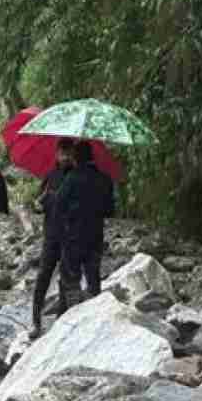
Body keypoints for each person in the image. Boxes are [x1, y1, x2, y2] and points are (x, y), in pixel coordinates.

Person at [56, 140, 115, 306]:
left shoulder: (71, 178)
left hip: (73, 236)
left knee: (71, 279)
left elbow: (59, 206)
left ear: (75, 158)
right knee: (93, 279)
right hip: (95, 235)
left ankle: (72, 315)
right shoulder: (105, 179)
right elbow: (110, 211)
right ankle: (95, 312)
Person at [30, 139, 75, 339]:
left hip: (69, 236)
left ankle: (61, 319)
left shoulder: (76, 177)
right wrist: (41, 201)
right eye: (62, 153)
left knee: (65, 280)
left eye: (68, 153)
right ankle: (36, 321)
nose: (64, 157)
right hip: (51, 235)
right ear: (56, 154)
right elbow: (36, 203)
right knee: (42, 277)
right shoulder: (50, 176)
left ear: (72, 155)